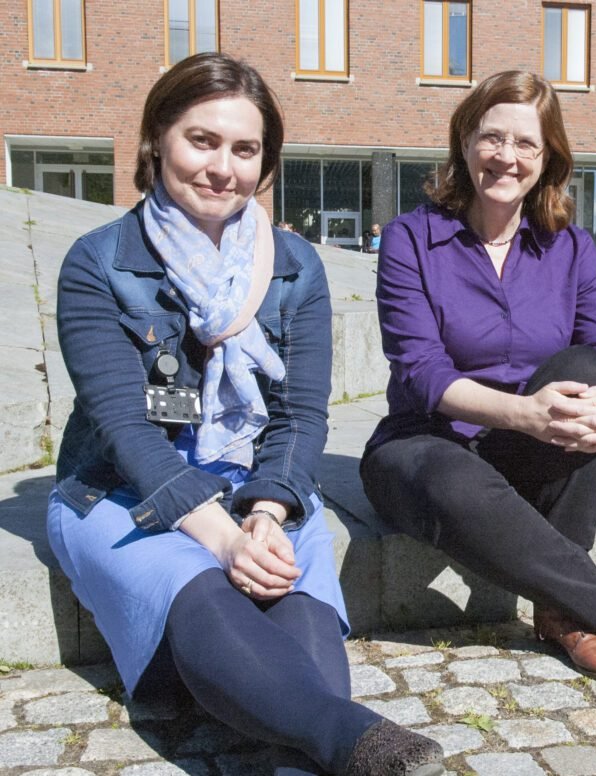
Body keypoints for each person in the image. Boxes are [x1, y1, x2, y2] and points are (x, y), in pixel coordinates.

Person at [48, 53, 444, 775]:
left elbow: (299, 417)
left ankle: (327, 746)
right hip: (120, 493)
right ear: (157, 140)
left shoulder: (296, 267)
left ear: (264, 161)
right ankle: (353, 737)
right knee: (203, 592)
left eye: (244, 148)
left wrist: (265, 510)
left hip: (257, 484)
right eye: (202, 140)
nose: (221, 167)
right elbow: (125, 431)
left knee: (296, 608)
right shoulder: (96, 263)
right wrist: (224, 542)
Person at [359, 70, 596, 684]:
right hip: (425, 446)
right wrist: (522, 413)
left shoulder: (570, 245)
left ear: (547, 159)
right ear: (464, 142)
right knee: (452, 477)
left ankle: (562, 611)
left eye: (525, 145)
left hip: (525, 449)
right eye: (491, 138)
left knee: (593, 373)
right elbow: (421, 371)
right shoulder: (412, 238)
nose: (505, 157)